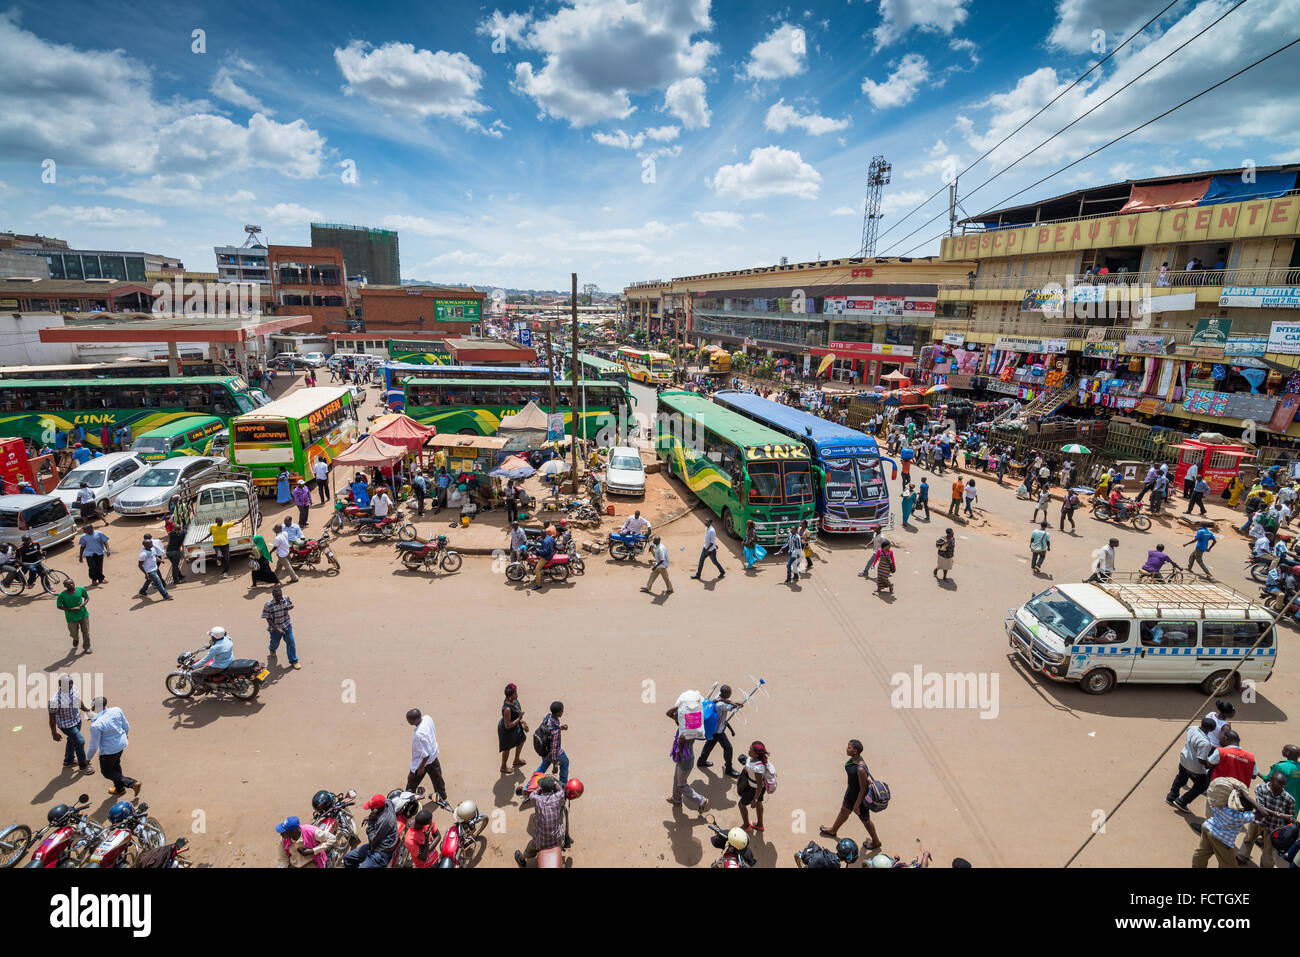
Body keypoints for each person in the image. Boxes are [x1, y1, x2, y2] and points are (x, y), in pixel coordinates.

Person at [819, 740, 881, 851]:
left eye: (849, 747)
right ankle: (833, 830)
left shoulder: (861, 768)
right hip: (851, 792)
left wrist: (857, 805)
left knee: (865, 820)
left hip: (859, 798)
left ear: (855, 752)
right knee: (844, 811)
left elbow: (863, 789)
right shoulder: (854, 760)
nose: (847, 748)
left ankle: (876, 841)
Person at [1192, 783, 1259, 868]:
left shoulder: (1223, 805)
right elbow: (1263, 813)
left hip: (1207, 827)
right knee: (1229, 864)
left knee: (1202, 853)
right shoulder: (1240, 817)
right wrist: (1247, 796)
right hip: (1221, 839)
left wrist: (1241, 794)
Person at [1238, 771, 1296, 868]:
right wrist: (1281, 815)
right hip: (1257, 822)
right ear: (1271, 780)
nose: (1281, 788)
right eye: (1279, 785)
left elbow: (1289, 817)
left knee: (1269, 851)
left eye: (1283, 786)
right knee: (1249, 839)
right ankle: (1242, 857)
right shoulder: (1260, 788)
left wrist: (1288, 825)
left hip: (1273, 828)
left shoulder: (1289, 799)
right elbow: (1261, 809)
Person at [87, 697, 139, 797]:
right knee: (115, 765)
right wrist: (125, 735)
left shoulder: (96, 725)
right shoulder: (116, 710)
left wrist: (87, 759)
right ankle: (119, 789)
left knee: (106, 772)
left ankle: (132, 783)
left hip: (109, 751)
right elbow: (126, 725)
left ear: (95, 707)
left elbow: (93, 746)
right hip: (121, 744)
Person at [513, 775, 567, 868]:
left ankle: (522, 859)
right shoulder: (558, 796)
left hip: (541, 842)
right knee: (560, 822)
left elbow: (532, 795)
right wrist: (555, 783)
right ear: (553, 788)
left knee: (531, 846)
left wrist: (539, 788)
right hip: (558, 839)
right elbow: (561, 791)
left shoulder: (537, 799)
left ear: (542, 789)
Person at [665, 705, 710, 814]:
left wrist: (680, 752)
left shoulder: (687, 729)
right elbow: (669, 713)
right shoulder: (689, 724)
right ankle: (676, 799)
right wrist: (679, 705)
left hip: (685, 760)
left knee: (681, 784)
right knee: (676, 778)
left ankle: (701, 801)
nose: (675, 717)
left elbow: (681, 740)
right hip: (682, 758)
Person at [48, 674, 93, 775]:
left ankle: (68, 760)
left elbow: (78, 700)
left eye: (71, 684)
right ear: (60, 685)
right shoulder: (54, 700)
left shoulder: (74, 688)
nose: (69, 686)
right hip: (66, 725)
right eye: (66, 685)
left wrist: (86, 710)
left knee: (72, 740)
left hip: (77, 719)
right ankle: (83, 766)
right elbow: (52, 717)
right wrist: (54, 733)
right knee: (80, 741)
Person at [343, 794, 398, 868]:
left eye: (372, 809)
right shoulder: (388, 803)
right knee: (348, 858)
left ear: (378, 809)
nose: (371, 810)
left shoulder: (385, 821)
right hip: (373, 847)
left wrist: (371, 822)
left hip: (381, 853)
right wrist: (370, 817)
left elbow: (372, 840)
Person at [697, 685, 740, 777]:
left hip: (714, 728)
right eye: (729, 693)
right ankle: (728, 769)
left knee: (709, 745)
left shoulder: (718, 697)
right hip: (718, 731)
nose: (730, 694)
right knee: (728, 748)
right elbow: (733, 707)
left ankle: (701, 761)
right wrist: (738, 705)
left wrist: (729, 701)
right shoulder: (721, 705)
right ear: (725, 694)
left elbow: (728, 702)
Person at [406, 708, 447, 801]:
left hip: (422, 762)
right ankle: (441, 795)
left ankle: (407, 800)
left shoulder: (418, 735)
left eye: (408, 719)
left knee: (412, 782)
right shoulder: (427, 718)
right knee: (437, 779)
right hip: (434, 756)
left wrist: (421, 767)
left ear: (413, 720)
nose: (407, 721)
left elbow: (425, 755)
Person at [262, 586, 299, 670]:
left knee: (291, 641)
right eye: (277, 596)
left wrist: (289, 607)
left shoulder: (286, 598)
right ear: (273, 595)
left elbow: (291, 605)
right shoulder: (268, 605)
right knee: (275, 642)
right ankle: (272, 649)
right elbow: (268, 618)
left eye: (280, 595)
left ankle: (294, 661)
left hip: (286, 624)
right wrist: (277, 629)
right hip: (275, 628)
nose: (279, 598)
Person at [737, 741, 771, 832]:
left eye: (751, 750)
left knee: (741, 805)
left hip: (754, 789)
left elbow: (759, 786)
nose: (749, 751)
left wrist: (754, 799)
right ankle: (760, 825)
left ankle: (746, 825)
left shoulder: (758, 768)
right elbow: (749, 765)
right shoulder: (754, 759)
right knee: (759, 803)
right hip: (757, 788)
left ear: (756, 754)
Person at [535, 700, 569, 784]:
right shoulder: (555, 732)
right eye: (562, 710)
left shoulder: (547, 717)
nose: (563, 712)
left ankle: (531, 785)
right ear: (558, 713)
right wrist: (555, 765)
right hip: (551, 753)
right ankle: (563, 784)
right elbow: (554, 750)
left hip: (544, 749)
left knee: (544, 765)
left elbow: (548, 730)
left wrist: (560, 727)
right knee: (565, 762)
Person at [56, 578, 91, 654]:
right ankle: (75, 638)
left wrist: (82, 604)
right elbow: (59, 606)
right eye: (69, 584)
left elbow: (87, 598)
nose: (71, 585)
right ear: (65, 586)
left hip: (83, 614)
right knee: (73, 633)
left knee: (86, 632)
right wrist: (70, 609)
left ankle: (87, 647)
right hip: (71, 617)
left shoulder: (81, 589)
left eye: (72, 583)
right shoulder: (62, 595)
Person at [498, 683, 527, 773]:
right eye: (515, 693)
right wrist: (519, 718)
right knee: (507, 748)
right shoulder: (507, 709)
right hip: (507, 731)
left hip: (515, 726)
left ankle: (516, 759)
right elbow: (507, 725)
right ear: (510, 696)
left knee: (522, 739)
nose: (517, 694)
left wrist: (521, 722)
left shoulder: (514, 701)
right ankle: (503, 767)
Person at [136, 535, 172, 601]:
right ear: (146, 546)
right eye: (150, 543)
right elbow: (140, 565)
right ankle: (165, 595)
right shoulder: (143, 554)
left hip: (155, 568)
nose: (152, 544)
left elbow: (155, 556)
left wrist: (160, 560)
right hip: (150, 571)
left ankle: (142, 591)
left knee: (149, 580)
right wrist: (146, 573)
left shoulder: (152, 549)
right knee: (158, 583)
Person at [691, 517, 725, 581]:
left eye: (706, 521)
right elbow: (711, 540)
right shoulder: (707, 528)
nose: (705, 522)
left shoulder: (712, 531)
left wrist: (707, 549)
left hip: (711, 550)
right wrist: (711, 546)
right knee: (701, 561)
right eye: (705, 521)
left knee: (714, 562)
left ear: (710, 523)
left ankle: (722, 571)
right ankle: (698, 575)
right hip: (706, 548)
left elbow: (712, 542)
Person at [77, 522, 110, 586]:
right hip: (89, 554)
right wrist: (80, 557)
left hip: (99, 553)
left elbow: (105, 542)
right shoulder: (83, 537)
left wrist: (108, 550)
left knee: (99, 566)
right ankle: (94, 580)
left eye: (85, 529)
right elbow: (82, 546)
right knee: (92, 567)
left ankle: (101, 579)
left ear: (90, 529)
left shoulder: (99, 533)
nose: (83, 531)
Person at [533, 526, 556, 592]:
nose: (540, 536)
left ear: (543, 534)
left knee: (537, 568)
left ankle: (538, 585)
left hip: (547, 556)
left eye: (541, 535)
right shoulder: (549, 537)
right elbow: (554, 543)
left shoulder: (546, 541)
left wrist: (538, 551)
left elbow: (545, 551)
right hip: (551, 553)